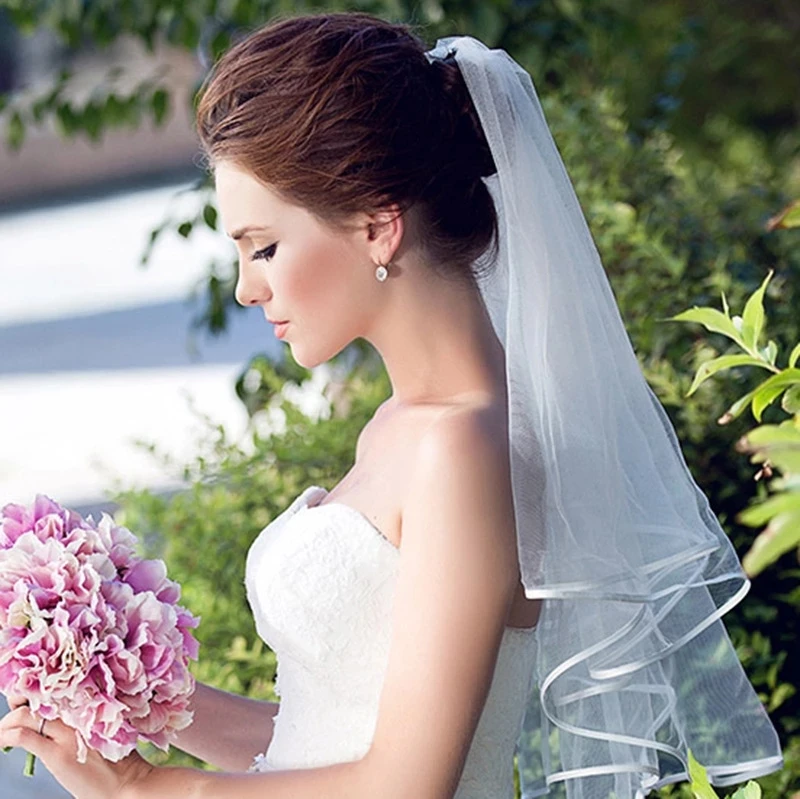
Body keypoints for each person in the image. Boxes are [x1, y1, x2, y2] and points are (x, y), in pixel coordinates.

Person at [0, 11, 783, 799]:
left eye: (263, 246)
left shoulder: (462, 445)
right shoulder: (405, 427)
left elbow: (407, 783)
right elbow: (320, 735)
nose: (246, 287)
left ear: (378, 227)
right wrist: (131, 689)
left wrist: (147, 789)